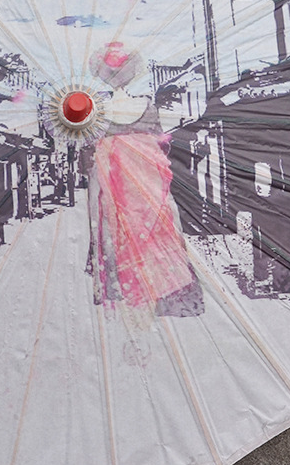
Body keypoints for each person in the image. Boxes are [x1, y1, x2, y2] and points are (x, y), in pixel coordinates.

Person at [84, 41, 204, 322]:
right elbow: (162, 146)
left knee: (115, 229)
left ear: (102, 74)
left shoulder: (98, 112)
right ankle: (160, 284)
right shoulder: (147, 107)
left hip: (114, 183)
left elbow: (89, 155)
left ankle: (125, 286)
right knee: (156, 227)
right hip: (147, 181)